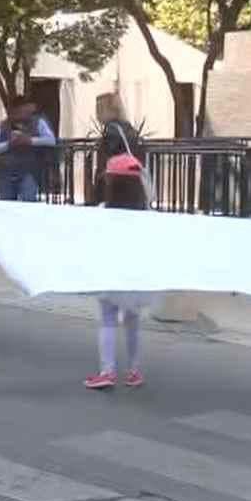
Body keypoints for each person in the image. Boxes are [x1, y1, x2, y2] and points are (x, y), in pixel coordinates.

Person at [83, 154, 157, 389]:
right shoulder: (147, 215)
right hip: (137, 275)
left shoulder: (103, 211)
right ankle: (134, 370)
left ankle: (107, 371)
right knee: (133, 321)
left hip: (111, 272)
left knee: (108, 320)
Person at [0, 97, 55, 202]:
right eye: (19, 111)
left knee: (28, 202)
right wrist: (8, 144)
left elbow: (51, 140)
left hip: (29, 171)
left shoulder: (38, 122)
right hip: (5, 171)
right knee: (6, 204)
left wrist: (30, 141)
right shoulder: (0, 126)